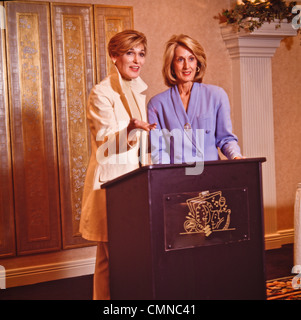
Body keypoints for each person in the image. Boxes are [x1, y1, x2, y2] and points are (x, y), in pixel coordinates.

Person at [79, 30, 156, 300]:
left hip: (136, 183)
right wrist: (131, 129)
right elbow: (106, 146)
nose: (137, 60)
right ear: (114, 56)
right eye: (129, 53)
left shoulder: (140, 90)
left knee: (111, 259)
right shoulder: (101, 92)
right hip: (113, 186)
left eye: (141, 53)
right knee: (116, 258)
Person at [147, 34, 242, 165]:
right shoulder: (157, 104)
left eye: (191, 59)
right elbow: (160, 152)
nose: (187, 66)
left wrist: (236, 156)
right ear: (172, 65)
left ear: (197, 62)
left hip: (211, 178)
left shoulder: (217, 95)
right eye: (180, 60)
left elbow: (225, 139)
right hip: (177, 181)